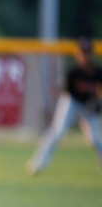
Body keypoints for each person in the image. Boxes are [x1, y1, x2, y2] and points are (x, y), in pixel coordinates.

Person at [27, 36, 102, 175]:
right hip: (72, 102)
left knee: (96, 140)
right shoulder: (73, 72)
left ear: (92, 54)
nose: (84, 56)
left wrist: (98, 103)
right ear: (77, 55)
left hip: (88, 106)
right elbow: (64, 92)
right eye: (82, 53)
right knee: (57, 131)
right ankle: (38, 163)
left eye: (87, 53)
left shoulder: (98, 72)